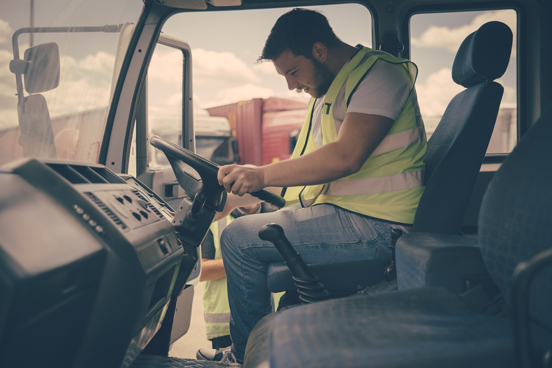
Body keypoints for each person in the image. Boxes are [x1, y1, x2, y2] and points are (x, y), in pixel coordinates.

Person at [197, 7, 426, 365]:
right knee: (244, 229)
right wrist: (258, 203)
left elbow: (345, 157)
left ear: (319, 51)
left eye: (293, 71)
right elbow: (311, 175)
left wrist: (260, 175)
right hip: (350, 215)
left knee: (238, 240)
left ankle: (245, 359)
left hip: (382, 226)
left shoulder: (379, 75)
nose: (291, 85)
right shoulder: (326, 95)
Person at [199, 203, 276, 350]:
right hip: (225, 325)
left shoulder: (277, 217)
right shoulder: (214, 221)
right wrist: (244, 260)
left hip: (273, 322)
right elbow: (201, 270)